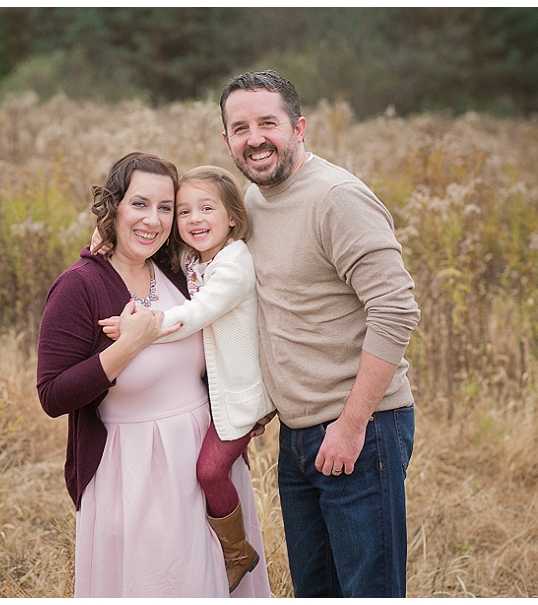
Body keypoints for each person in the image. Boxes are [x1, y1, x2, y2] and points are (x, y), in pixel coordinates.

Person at [218, 70, 421, 597]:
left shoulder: (337, 197)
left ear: (299, 127)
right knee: (316, 590)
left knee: (367, 590)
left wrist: (352, 425)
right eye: (240, 128)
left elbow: (396, 308)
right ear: (227, 141)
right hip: (298, 435)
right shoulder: (252, 200)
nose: (255, 138)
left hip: (361, 427)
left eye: (268, 123)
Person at [36, 152, 270, 598]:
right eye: (139, 204)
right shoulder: (79, 285)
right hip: (135, 475)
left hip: (205, 462)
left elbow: (223, 335)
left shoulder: (180, 271)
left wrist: (247, 404)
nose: (154, 219)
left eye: (166, 207)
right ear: (114, 206)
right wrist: (128, 346)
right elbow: (52, 394)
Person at [98, 165, 275, 592]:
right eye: (183, 211)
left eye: (206, 209)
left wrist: (141, 329)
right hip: (219, 397)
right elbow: (148, 254)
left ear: (233, 216)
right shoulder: (195, 258)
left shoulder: (234, 264)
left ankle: (236, 551)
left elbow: (196, 314)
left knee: (211, 471)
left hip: (240, 397)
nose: (194, 219)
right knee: (209, 473)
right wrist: (104, 240)